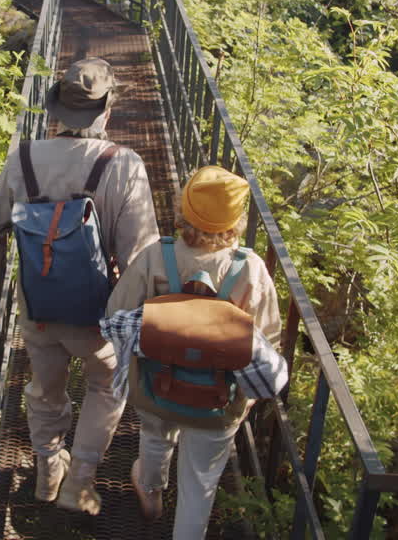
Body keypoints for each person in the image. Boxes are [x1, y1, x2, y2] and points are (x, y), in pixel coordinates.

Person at [0, 57, 159, 514]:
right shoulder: (125, 164)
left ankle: (46, 471)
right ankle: (80, 481)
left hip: (39, 308)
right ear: (107, 111)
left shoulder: (24, 157)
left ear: (57, 111)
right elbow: (141, 253)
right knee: (105, 388)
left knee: (44, 388)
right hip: (99, 312)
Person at [105, 165, 283, 537]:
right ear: (237, 220)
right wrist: (248, 398)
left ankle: (150, 490)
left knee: (155, 436)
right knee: (200, 484)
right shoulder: (249, 269)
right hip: (217, 399)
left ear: (183, 209)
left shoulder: (156, 256)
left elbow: (115, 315)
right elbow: (267, 339)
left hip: (156, 384)